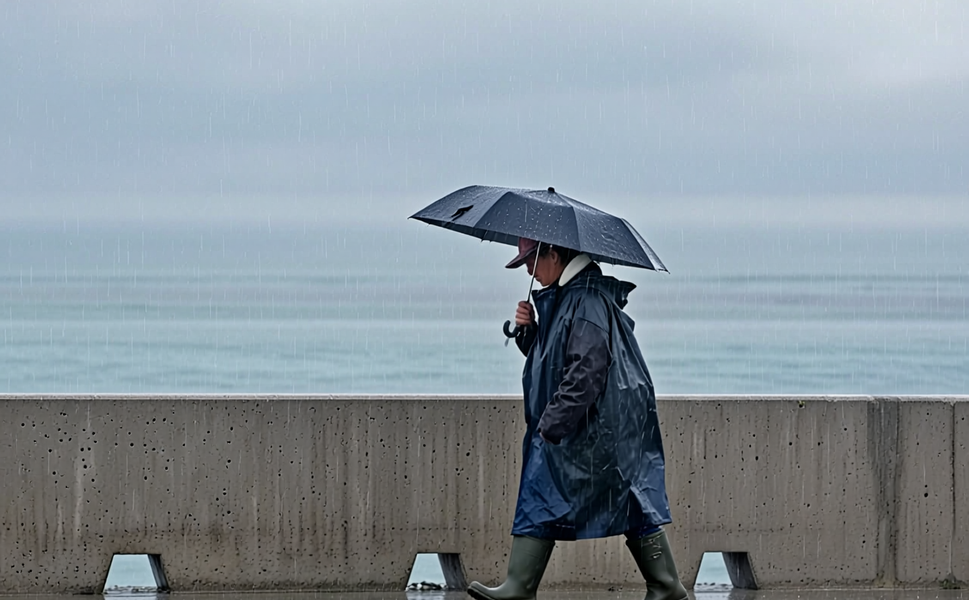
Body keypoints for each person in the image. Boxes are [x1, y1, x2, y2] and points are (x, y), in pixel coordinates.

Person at [467, 237, 688, 600]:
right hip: (606, 422)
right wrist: (528, 331)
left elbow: (586, 370)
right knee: (628, 495)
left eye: (530, 260)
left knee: (545, 487)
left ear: (555, 254)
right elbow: (555, 357)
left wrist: (551, 424)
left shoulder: (584, 299)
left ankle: (520, 587)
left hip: (594, 424)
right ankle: (666, 586)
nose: (527, 269)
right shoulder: (576, 295)